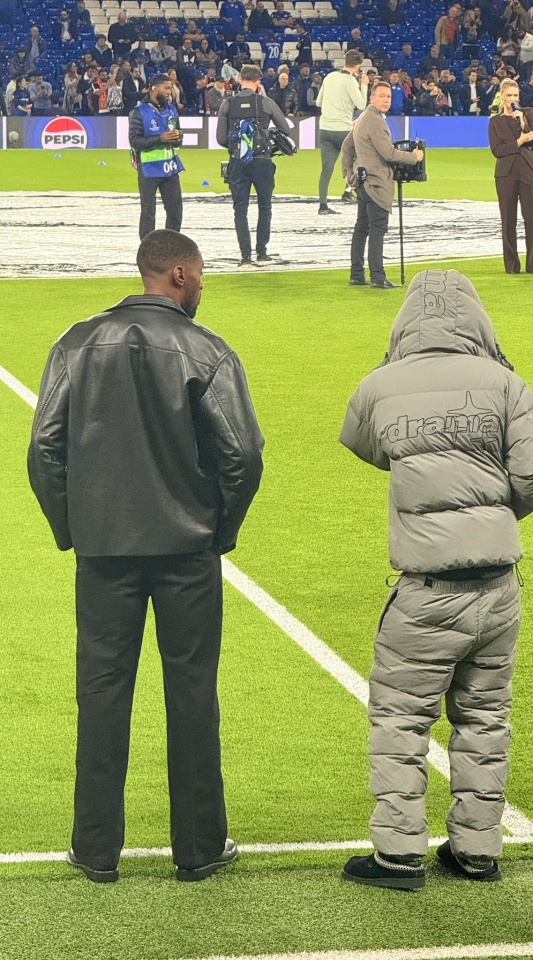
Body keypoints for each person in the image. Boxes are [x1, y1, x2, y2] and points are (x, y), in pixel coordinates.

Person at [27, 229, 264, 884]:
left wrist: (74, 529)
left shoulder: (76, 343)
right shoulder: (207, 349)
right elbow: (242, 455)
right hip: (188, 552)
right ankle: (200, 847)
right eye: (201, 273)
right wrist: (220, 530)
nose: (204, 284)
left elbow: (44, 448)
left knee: (101, 691)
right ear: (179, 275)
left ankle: (95, 849)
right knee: (192, 692)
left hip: (105, 551)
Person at [339, 268, 533, 890]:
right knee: (485, 716)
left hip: (426, 590)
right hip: (499, 586)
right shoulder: (505, 383)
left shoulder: (379, 385)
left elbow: (364, 444)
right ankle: (476, 851)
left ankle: (398, 855)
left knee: (401, 718)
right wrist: (491, 513)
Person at [341, 81, 423, 289]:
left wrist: (348, 173)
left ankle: (357, 273)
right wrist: (414, 157)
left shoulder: (363, 118)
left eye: (388, 97)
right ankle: (377, 276)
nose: (386, 100)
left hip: (362, 181)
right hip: (376, 183)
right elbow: (389, 153)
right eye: (382, 96)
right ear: (372, 98)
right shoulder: (376, 121)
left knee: (362, 227)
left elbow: (347, 145)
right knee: (377, 229)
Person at [216, 63, 293, 267]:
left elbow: (221, 138)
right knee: (264, 206)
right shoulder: (266, 102)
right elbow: (286, 129)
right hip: (262, 161)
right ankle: (261, 251)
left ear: (240, 80)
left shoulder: (227, 104)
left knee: (240, 209)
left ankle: (245, 255)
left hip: (238, 162)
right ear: (258, 83)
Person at [489, 77, 533, 275]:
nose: (513, 99)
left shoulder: (527, 113)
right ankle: (512, 265)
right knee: (508, 218)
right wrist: (519, 141)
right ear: (502, 97)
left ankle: (532, 263)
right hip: (505, 174)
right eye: (509, 95)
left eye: (515, 95)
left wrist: (523, 123)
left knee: (532, 216)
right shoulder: (494, 121)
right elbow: (497, 150)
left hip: (528, 169)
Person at [129, 73, 184, 240]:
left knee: (175, 211)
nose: (169, 92)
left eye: (170, 88)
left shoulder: (171, 109)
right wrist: (161, 139)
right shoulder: (139, 112)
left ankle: (171, 245)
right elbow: (134, 141)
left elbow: (179, 139)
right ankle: (147, 248)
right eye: (166, 88)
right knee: (148, 212)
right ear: (154, 88)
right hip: (149, 168)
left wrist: (177, 138)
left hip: (170, 168)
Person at [316, 49, 369, 215]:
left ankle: (323, 205)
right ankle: (348, 192)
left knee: (326, 169)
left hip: (325, 128)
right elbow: (361, 105)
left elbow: (318, 102)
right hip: (343, 130)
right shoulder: (350, 81)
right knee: (357, 162)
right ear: (358, 66)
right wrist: (364, 85)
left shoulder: (329, 77)